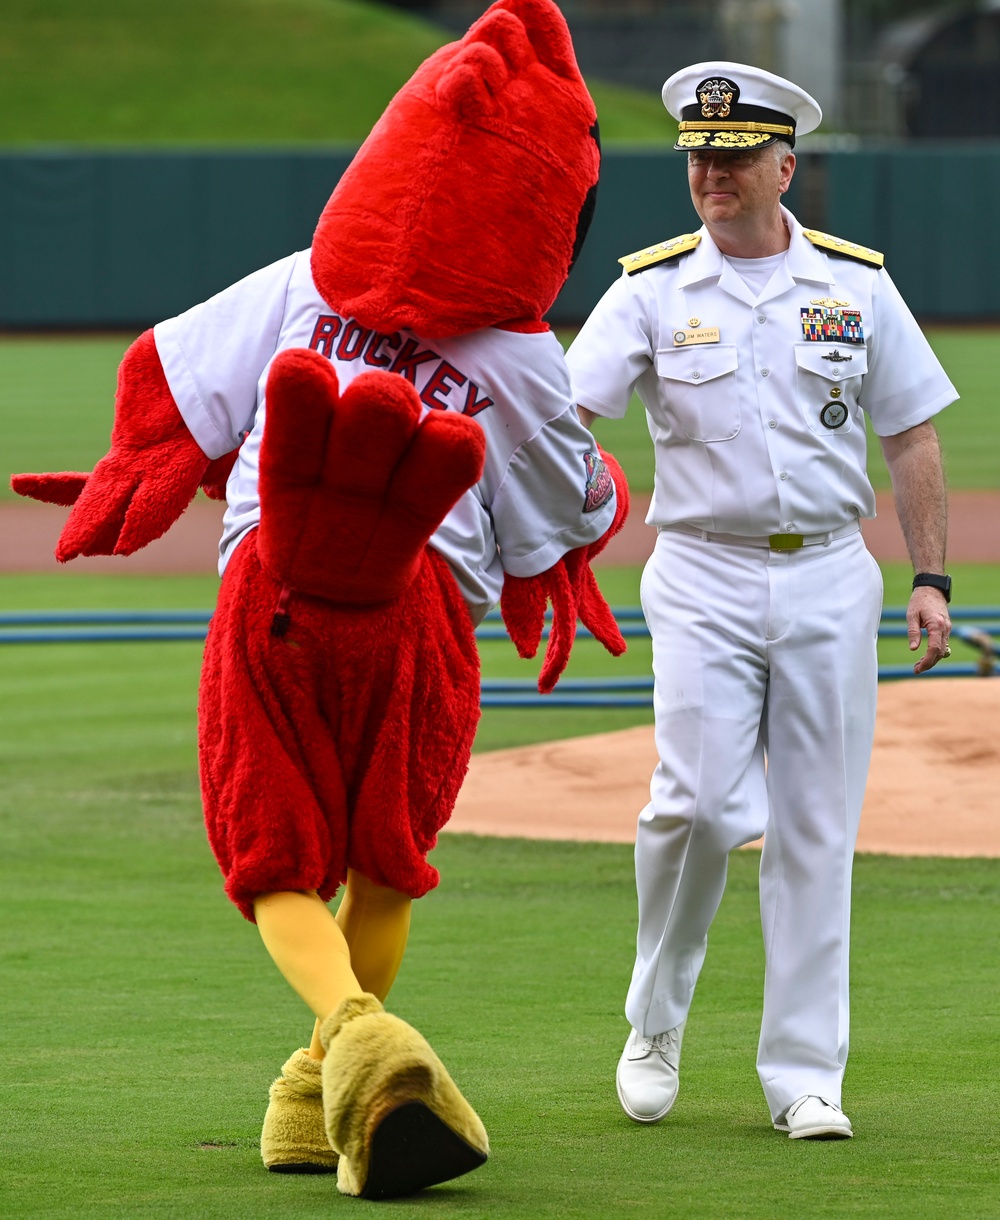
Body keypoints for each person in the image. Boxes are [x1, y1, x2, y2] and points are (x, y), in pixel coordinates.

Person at [565, 61, 955, 1140]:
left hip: (831, 569)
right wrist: (557, 515)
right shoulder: (648, 289)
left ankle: (803, 1074)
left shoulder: (855, 286)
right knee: (691, 804)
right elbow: (567, 417)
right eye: (697, 154)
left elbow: (911, 433)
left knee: (816, 827)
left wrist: (927, 574)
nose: (710, 173)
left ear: (786, 166)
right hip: (702, 569)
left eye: (733, 157)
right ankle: (653, 1020)